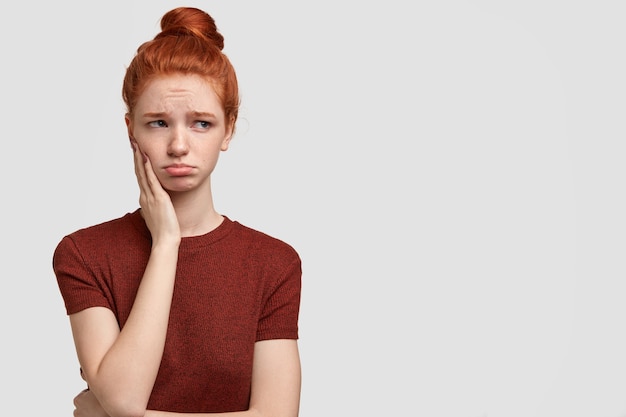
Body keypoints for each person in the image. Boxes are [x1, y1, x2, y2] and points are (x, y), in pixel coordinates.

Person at [52, 7, 302, 417]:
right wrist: (166, 242)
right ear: (131, 129)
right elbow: (124, 398)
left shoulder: (273, 263)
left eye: (201, 123)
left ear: (229, 129)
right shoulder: (84, 254)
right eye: (158, 123)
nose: (179, 145)